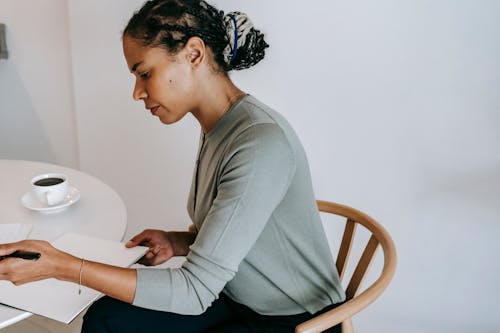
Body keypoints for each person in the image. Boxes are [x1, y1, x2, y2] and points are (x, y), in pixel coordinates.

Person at [0, 0, 345, 332]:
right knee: (107, 319)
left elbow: (194, 292)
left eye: (144, 73)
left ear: (193, 54)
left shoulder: (259, 143)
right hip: (238, 295)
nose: (137, 92)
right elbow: (232, 233)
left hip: (297, 320)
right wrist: (177, 242)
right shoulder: (219, 127)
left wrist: (64, 267)